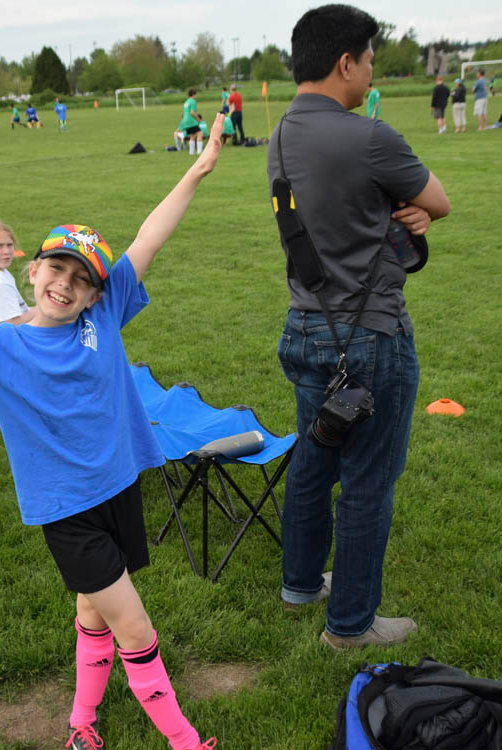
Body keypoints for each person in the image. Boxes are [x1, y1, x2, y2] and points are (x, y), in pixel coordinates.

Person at [0, 115, 226, 750]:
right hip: (67, 510)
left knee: (93, 611)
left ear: (96, 294)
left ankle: (81, 725)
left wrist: (197, 169)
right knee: (135, 628)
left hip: (119, 488)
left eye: (82, 279)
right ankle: (185, 741)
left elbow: (150, 236)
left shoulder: (103, 314)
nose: (66, 284)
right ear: (32, 271)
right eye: (57, 268)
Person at [267, 4, 450, 649]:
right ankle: (350, 626)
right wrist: (412, 214)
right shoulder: (370, 136)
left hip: (306, 327)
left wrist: (398, 212)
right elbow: (439, 201)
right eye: (370, 60)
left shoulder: (280, 135)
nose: (373, 71)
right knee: (368, 482)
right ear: (345, 62)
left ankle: (299, 585)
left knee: (313, 462)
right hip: (370, 337)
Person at [180, 88, 202, 155]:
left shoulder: (186, 102)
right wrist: (198, 119)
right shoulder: (193, 101)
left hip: (185, 120)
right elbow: (192, 112)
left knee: (193, 135)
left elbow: (183, 113)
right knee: (200, 133)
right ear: (193, 94)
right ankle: (199, 152)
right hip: (191, 120)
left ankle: (191, 152)